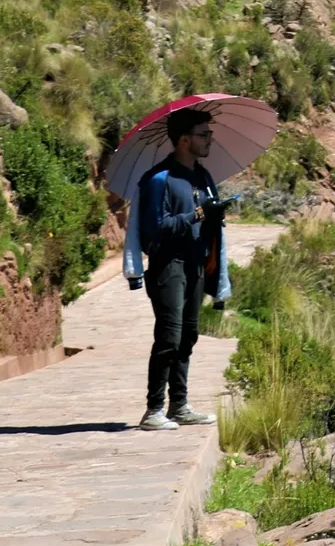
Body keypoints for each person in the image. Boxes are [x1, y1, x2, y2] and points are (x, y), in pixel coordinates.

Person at [123, 107, 232, 430]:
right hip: (168, 266)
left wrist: (215, 215)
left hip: (196, 264)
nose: (209, 139)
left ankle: (179, 406)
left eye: (209, 134)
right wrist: (198, 215)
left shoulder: (203, 177)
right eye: (203, 134)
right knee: (169, 336)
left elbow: (208, 221)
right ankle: (153, 410)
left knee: (188, 335)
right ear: (184, 140)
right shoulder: (159, 180)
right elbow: (155, 230)